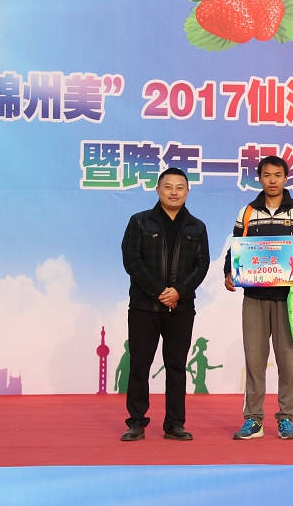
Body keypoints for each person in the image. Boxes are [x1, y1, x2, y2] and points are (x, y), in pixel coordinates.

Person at [224, 155, 293, 440]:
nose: (272, 180)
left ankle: (286, 418)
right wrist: (228, 272)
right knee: (254, 361)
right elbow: (235, 249)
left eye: (278, 175)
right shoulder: (247, 213)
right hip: (254, 297)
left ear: (285, 178)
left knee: (287, 363)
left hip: (289, 298)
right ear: (260, 178)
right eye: (267, 175)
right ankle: (253, 419)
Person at [120, 167, 210, 441]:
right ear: (157, 189)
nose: (174, 192)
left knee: (177, 366)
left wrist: (179, 292)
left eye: (179, 187)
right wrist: (160, 291)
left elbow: (201, 265)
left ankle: (174, 423)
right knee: (139, 365)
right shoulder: (139, 222)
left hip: (181, 309)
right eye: (168, 187)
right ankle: (136, 422)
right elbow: (131, 260)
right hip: (144, 307)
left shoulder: (197, 227)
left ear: (187, 192)